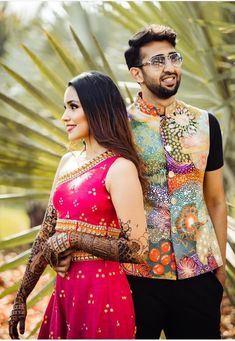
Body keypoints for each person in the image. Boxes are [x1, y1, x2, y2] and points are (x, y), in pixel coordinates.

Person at [8, 71, 148, 339]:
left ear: (97, 109)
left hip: (103, 294)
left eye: (73, 107)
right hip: (65, 291)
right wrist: (21, 297)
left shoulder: (120, 168)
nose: (64, 117)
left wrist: (74, 239)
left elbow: (137, 248)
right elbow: (45, 235)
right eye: (65, 108)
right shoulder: (68, 162)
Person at [121, 24, 227, 339]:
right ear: (136, 74)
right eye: (157, 61)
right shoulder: (119, 128)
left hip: (199, 273)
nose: (169, 67)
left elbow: (216, 200)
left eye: (173, 58)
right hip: (137, 274)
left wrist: (217, 268)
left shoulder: (206, 124)